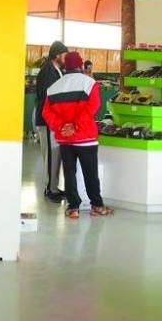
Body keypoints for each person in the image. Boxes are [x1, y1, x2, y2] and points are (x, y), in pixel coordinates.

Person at [42, 52, 113, 219]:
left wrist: (62, 126)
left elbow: (46, 112)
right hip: (85, 137)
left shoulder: (54, 88)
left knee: (69, 173)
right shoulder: (90, 83)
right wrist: (75, 126)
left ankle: (73, 207)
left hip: (65, 139)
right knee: (90, 173)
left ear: (65, 67)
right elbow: (93, 107)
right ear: (81, 66)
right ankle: (97, 205)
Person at [35, 41, 67, 203]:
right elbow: (49, 96)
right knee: (50, 155)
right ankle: (50, 189)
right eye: (64, 55)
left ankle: (54, 186)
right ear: (57, 55)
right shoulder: (47, 71)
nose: (65, 58)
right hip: (47, 119)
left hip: (54, 119)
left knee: (55, 154)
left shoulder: (56, 70)